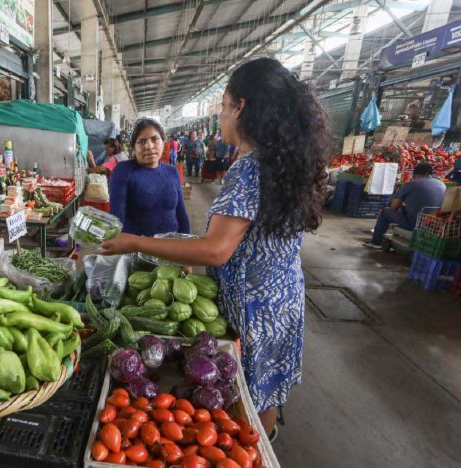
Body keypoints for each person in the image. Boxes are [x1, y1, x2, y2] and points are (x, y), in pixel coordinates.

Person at [101, 58, 332, 439]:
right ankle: (265, 447)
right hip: (283, 298)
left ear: (241, 108)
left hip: (253, 306)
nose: (221, 116)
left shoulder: (249, 167)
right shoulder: (285, 160)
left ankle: (254, 456)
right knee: (266, 389)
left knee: (247, 398)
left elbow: (216, 251)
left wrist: (135, 242)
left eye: (224, 106)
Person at [108, 117, 190, 237]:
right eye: (141, 141)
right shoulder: (123, 172)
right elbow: (116, 219)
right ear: (133, 147)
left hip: (172, 247)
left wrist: (186, 243)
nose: (149, 146)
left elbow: (181, 214)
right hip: (138, 250)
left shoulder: (172, 172)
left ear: (163, 142)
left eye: (154, 139)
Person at [364, 162, 446, 249]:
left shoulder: (411, 184)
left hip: (415, 224)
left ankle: (376, 242)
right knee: (403, 209)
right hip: (435, 225)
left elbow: (393, 207)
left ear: (415, 174)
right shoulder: (442, 184)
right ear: (430, 173)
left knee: (385, 212)